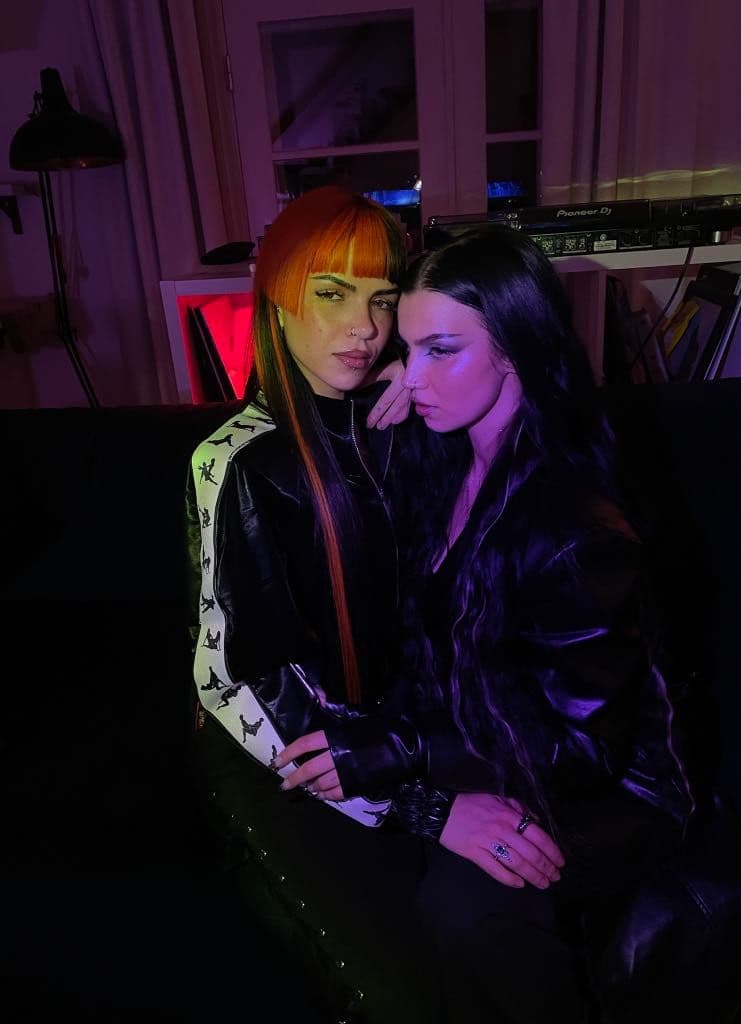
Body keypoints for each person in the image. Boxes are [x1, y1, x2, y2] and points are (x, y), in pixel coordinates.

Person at [275, 224, 697, 1023]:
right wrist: (375, 399)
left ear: (517, 348)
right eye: (406, 349)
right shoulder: (444, 455)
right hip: (486, 736)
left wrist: (406, 753)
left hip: (607, 786)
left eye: (442, 350)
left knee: (464, 908)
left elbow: (585, 747)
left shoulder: (573, 525)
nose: (412, 377)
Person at [185, 189, 537, 1023]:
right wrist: (422, 807)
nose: (363, 327)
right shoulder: (233, 461)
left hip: (403, 729)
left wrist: (421, 378)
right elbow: (234, 679)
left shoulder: (405, 417)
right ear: (276, 298)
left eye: (382, 299)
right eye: (331, 293)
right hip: (288, 753)